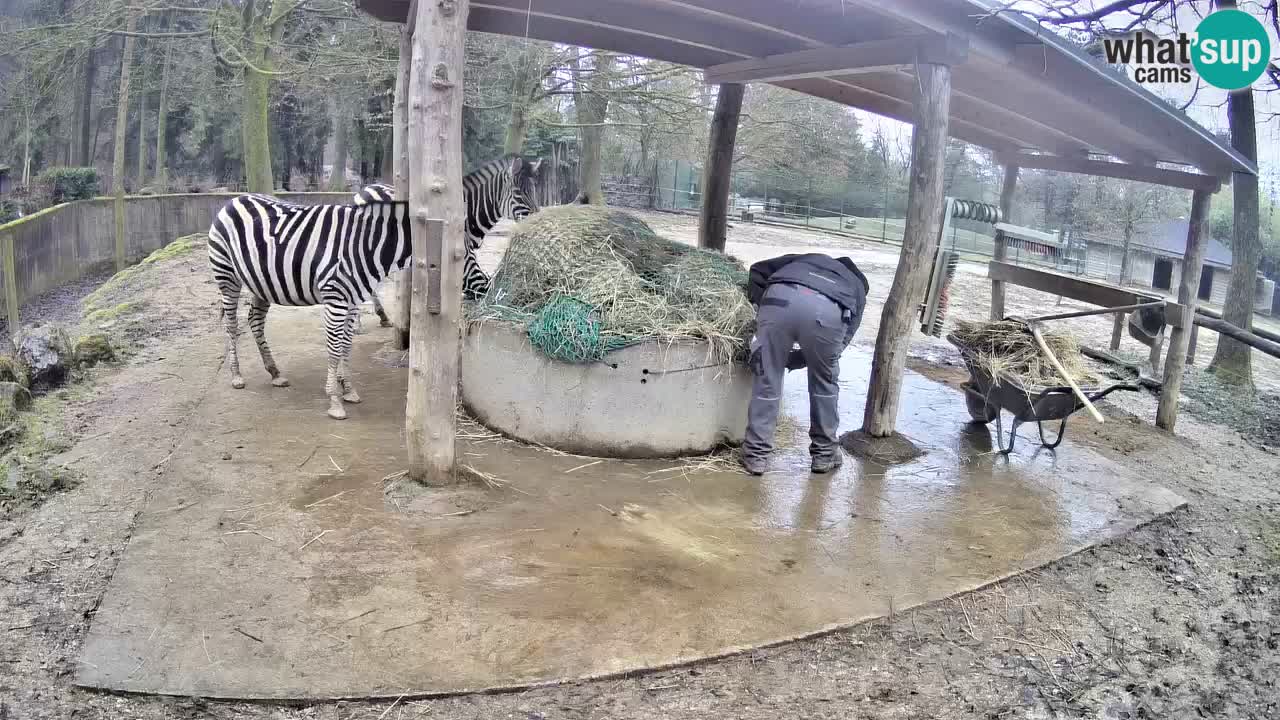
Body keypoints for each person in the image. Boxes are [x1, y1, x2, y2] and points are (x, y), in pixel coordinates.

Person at [742, 253, 869, 476]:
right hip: (828, 311)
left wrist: (765, 315)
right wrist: (803, 360)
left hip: (779, 298)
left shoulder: (806, 258)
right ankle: (824, 454)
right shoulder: (857, 285)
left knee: (767, 378)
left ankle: (756, 456)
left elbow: (757, 270)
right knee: (824, 384)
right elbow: (839, 344)